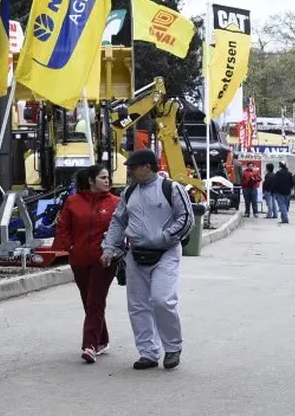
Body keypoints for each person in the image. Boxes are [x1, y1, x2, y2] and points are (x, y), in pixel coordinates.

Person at [102, 149, 193, 371]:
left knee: (162, 300)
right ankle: (148, 353)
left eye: (133, 167)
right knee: (137, 306)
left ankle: (172, 348)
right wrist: (109, 248)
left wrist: (163, 237)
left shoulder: (171, 188)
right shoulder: (129, 192)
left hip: (166, 253)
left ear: (148, 166)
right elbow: (118, 221)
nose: (130, 171)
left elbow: (186, 218)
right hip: (135, 254)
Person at [52, 164, 121, 364]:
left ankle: (89, 346)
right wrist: (70, 247)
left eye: (108, 177)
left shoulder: (116, 202)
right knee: (89, 301)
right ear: (91, 181)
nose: (107, 181)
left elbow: (121, 227)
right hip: (79, 259)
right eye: (102, 178)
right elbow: (63, 226)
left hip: (105, 260)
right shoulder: (73, 202)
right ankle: (102, 339)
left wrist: (114, 250)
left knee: (95, 301)